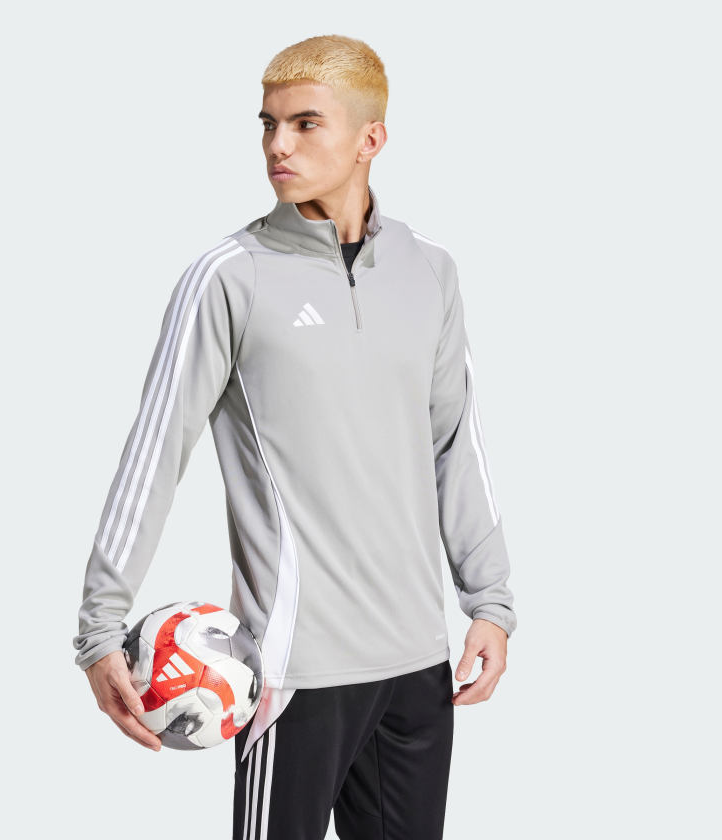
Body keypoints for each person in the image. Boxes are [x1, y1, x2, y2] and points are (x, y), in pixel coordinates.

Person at [73, 33, 517, 840]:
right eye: (268, 124)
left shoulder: (430, 271)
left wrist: (489, 601)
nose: (278, 145)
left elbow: (456, 444)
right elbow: (154, 453)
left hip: (418, 666)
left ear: (370, 139)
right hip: (293, 675)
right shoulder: (230, 276)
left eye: (305, 123)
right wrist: (100, 627)